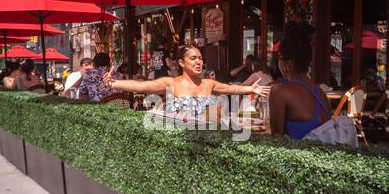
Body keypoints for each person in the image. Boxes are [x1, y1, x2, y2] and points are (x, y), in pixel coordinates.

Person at [103, 46, 270, 117]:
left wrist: (250, 89)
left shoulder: (209, 83)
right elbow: (141, 85)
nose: (199, 62)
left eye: (200, 58)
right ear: (182, 63)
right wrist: (114, 83)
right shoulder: (171, 83)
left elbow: (231, 89)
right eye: (193, 58)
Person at [269, 21, 331, 140]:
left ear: (288, 63)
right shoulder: (321, 94)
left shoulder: (280, 91)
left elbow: (276, 140)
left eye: (279, 58)